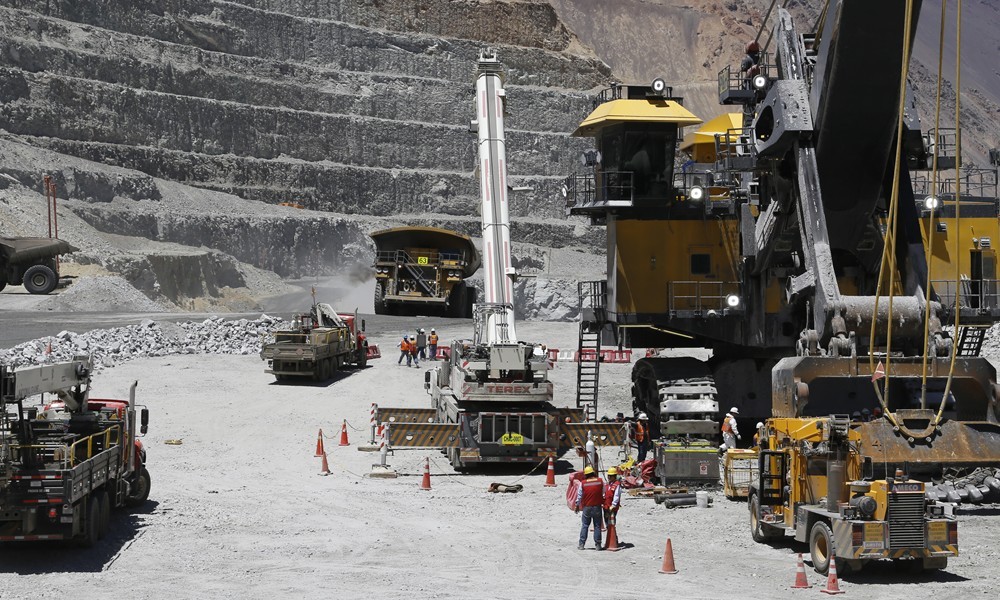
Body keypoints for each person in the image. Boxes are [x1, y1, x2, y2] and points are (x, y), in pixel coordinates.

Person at [574, 466, 605, 550]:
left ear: (586, 475)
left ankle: (581, 544)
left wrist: (577, 505)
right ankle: (598, 545)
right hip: (597, 507)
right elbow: (603, 493)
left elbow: (579, 496)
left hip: (587, 507)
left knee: (585, 525)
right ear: (593, 473)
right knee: (597, 526)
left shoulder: (583, 483)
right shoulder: (600, 481)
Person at [603, 466, 623, 548]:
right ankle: (610, 539)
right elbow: (605, 493)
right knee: (607, 523)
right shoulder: (608, 484)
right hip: (606, 506)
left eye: (610, 476)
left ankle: (614, 540)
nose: (609, 477)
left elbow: (616, 496)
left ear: (614, 476)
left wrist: (613, 505)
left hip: (612, 507)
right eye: (608, 476)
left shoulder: (617, 485)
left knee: (611, 523)